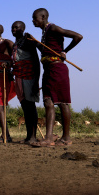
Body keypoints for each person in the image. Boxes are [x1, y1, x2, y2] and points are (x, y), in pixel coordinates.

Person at [31, 8, 83, 147]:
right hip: (48, 69)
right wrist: (35, 42)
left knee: (62, 102)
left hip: (58, 68)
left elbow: (78, 36)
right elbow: (45, 50)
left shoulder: (53, 28)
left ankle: (66, 138)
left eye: (35, 18)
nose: (33, 21)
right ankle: (48, 138)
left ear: (43, 17)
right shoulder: (44, 33)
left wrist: (64, 51)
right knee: (48, 102)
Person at [10, 22, 40, 145]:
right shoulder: (16, 44)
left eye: (16, 27)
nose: (14, 29)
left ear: (23, 29)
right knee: (25, 107)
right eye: (12, 27)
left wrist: (36, 82)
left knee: (30, 107)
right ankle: (28, 137)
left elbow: (36, 62)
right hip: (19, 77)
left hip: (29, 77)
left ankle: (33, 137)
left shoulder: (28, 42)